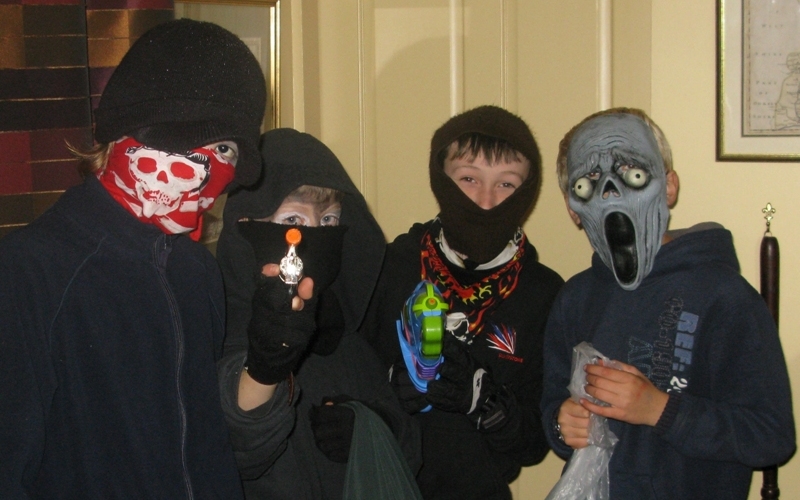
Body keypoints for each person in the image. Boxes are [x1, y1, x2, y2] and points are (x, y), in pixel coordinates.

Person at [0, 19, 265, 498]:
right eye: (180, 140)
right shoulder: (28, 271)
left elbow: (208, 446)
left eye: (223, 149)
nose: (200, 170)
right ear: (123, 135)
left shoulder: (197, 272)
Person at [540, 107, 796, 499]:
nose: (611, 194)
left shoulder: (724, 297)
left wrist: (659, 410)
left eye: (633, 175)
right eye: (586, 184)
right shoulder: (575, 299)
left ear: (669, 186)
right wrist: (563, 426)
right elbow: (553, 407)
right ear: (572, 209)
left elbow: (771, 437)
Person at [361, 105, 564, 499]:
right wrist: (388, 393)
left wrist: (484, 401)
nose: (486, 201)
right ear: (441, 178)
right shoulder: (390, 267)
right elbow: (342, 379)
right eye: (469, 179)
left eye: (506, 184)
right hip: (382, 485)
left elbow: (536, 442)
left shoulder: (543, 293)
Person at [216, 128, 422, 499]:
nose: (313, 234)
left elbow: (409, 452)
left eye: (328, 221)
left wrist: (371, 427)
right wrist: (264, 368)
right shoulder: (215, 327)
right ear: (245, 225)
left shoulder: (344, 337)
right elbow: (230, 453)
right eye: (292, 221)